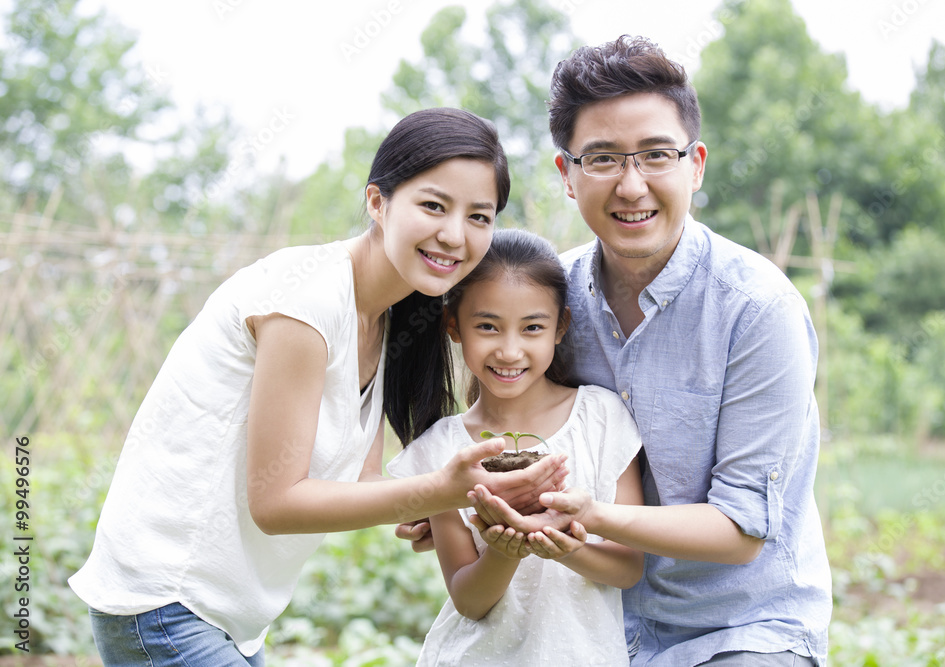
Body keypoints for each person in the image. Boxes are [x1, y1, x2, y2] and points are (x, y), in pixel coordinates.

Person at [68, 107, 569, 666]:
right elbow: (276, 503)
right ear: (378, 204)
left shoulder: (386, 319)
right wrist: (439, 491)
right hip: (166, 601)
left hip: (230, 618)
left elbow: (360, 480)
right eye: (433, 205)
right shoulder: (306, 302)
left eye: (480, 216)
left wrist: (448, 506)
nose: (455, 235)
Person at [466, 36, 833, 666]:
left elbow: (740, 530)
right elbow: (499, 429)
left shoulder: (757, 309)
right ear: (566, 175)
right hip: (587, 620)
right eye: (603, 159)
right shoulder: (545, 304)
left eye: (657, 155)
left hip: (741, 631)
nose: (632, 186)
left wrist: (594, 514)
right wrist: (458, 499)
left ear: (695, 164)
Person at [387, 228, 644, 665]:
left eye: (532, 328)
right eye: (487, 326)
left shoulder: (602, 419)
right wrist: (505, 552)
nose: (509, 350)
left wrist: (565, 547)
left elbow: (628, 569)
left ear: (560, 326)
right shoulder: (442, 450)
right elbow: (469, 600)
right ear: (453, 326)